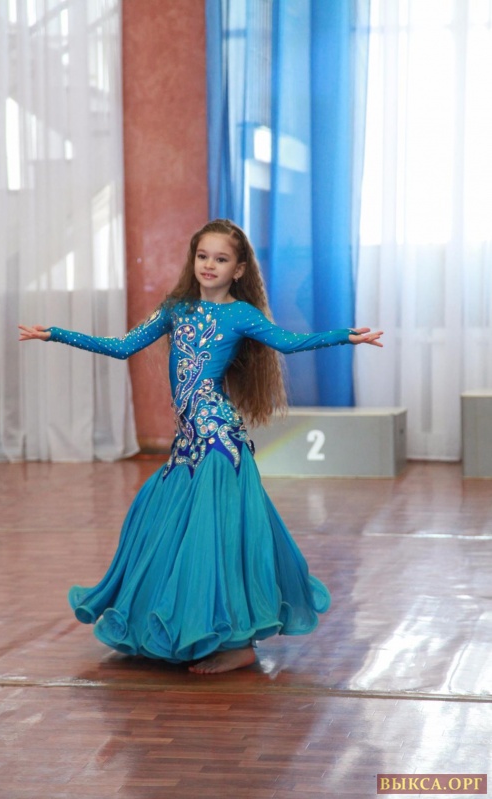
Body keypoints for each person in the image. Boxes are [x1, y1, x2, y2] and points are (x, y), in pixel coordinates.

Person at [19, 218, 383, 674]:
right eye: (203, 256)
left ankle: (237, 644)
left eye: (221, 259)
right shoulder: (176, 308)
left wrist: (344, 336)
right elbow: (123, 346)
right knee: (164, 528)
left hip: (217, 442)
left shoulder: (241, 315)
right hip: (188, 444)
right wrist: (57, 334)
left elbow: (289, 344)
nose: (209, 265)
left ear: (238, 269)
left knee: (215, 540)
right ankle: (191, 630)